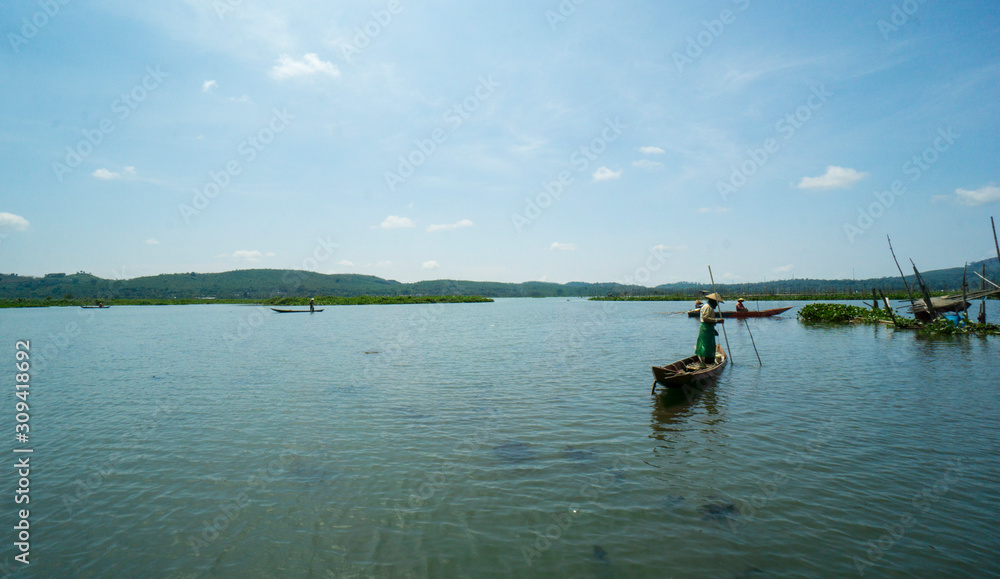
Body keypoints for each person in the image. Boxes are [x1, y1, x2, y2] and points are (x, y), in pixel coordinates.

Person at [696, 293, 724, 367]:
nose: (717, 305)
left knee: (710, 345)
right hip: (706, 328)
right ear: (713, 301)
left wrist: (713, 330)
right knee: (706, 345)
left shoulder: (709, 307)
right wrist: (717, 321)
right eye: (716, 303)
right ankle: (706, 362)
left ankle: (708, 361)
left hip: (709, 328)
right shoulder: (707, 307)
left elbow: (708, 320)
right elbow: (705, 319)